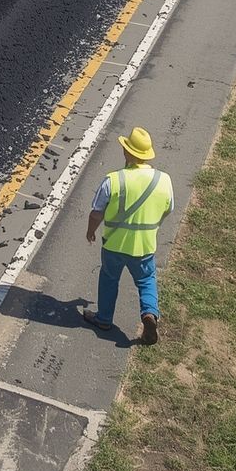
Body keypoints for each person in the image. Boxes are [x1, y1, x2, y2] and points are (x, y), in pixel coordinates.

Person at [82, 127, 174, 345]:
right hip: (144, 247)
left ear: (127, 153)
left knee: (109, 278)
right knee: (146, 280)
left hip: (114, 245)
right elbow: (168, 208)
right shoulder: (164, 180)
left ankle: (104, 319)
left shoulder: (113, 180)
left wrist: (90, 231)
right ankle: (149, 314)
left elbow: (96, 213)